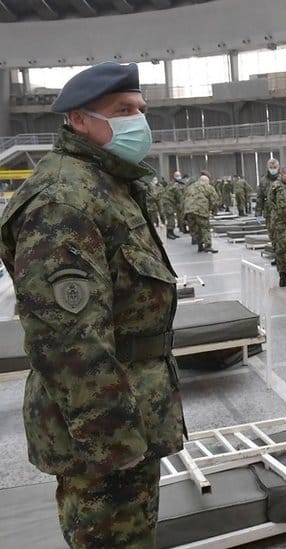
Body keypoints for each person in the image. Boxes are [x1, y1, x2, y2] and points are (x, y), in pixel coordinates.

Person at [0, 61, 186, 548]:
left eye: (140, 109)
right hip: (103, 431)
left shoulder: (105, 183)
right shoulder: (65, 200)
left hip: (130, 410)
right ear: (79, 120)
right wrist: (113, 442)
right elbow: (69, 343)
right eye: (123, 110)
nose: (138, 120)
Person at [183, 173, 220, 253]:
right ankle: (208, 246)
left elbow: (183, 199)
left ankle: (200, 245)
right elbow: (215, 199)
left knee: (196, 229)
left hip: (189, 211)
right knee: (205, 228)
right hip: (200, 210)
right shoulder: (207, 186)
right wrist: (214, 211)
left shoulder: (190, 187)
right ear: (206, 181)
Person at [161, 170, 184, 239]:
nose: (178, 177)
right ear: (174, 176)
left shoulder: (172, 183)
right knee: (170, 217)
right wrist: (182, 204)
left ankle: (171, 232)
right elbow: (179, 197)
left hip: (169, 202)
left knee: (171, 217)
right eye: (177, 176)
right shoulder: (175, 185)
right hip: (168, 202)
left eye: (179, 175)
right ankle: (169, 233)